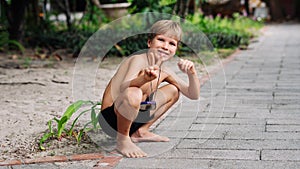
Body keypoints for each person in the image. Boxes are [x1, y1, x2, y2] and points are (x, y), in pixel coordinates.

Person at [98, 20, 200, 158]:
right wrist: (143, 79)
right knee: (134, 92)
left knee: (174, 91)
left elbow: (193, 94)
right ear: (149, 42)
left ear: (176, 49)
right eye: (161, 40)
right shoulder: (138, 59)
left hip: (134, 116)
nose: (165, 46)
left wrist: (192, 74)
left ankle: (141, 131)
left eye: (172, 43)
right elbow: (124, 88)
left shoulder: (165, 70)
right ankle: (122, 140)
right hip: (112, 118)